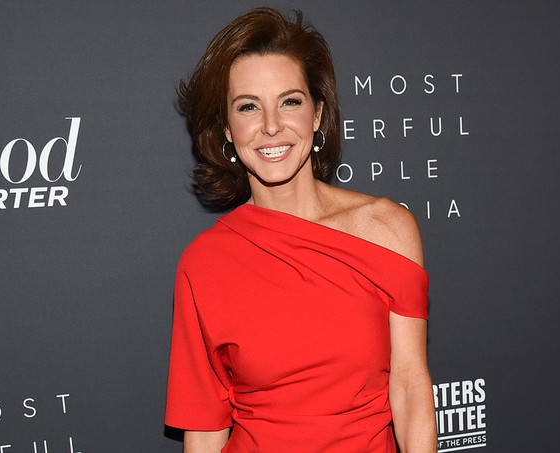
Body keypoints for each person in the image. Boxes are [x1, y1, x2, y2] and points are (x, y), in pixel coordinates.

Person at [166, 7, 437, 453]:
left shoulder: (388, 230)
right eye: (248, 107)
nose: (272, 126)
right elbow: (205, 428)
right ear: (228, 130)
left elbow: (410, 387)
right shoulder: (203, 264)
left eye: (290, 101)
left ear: (317, 114)